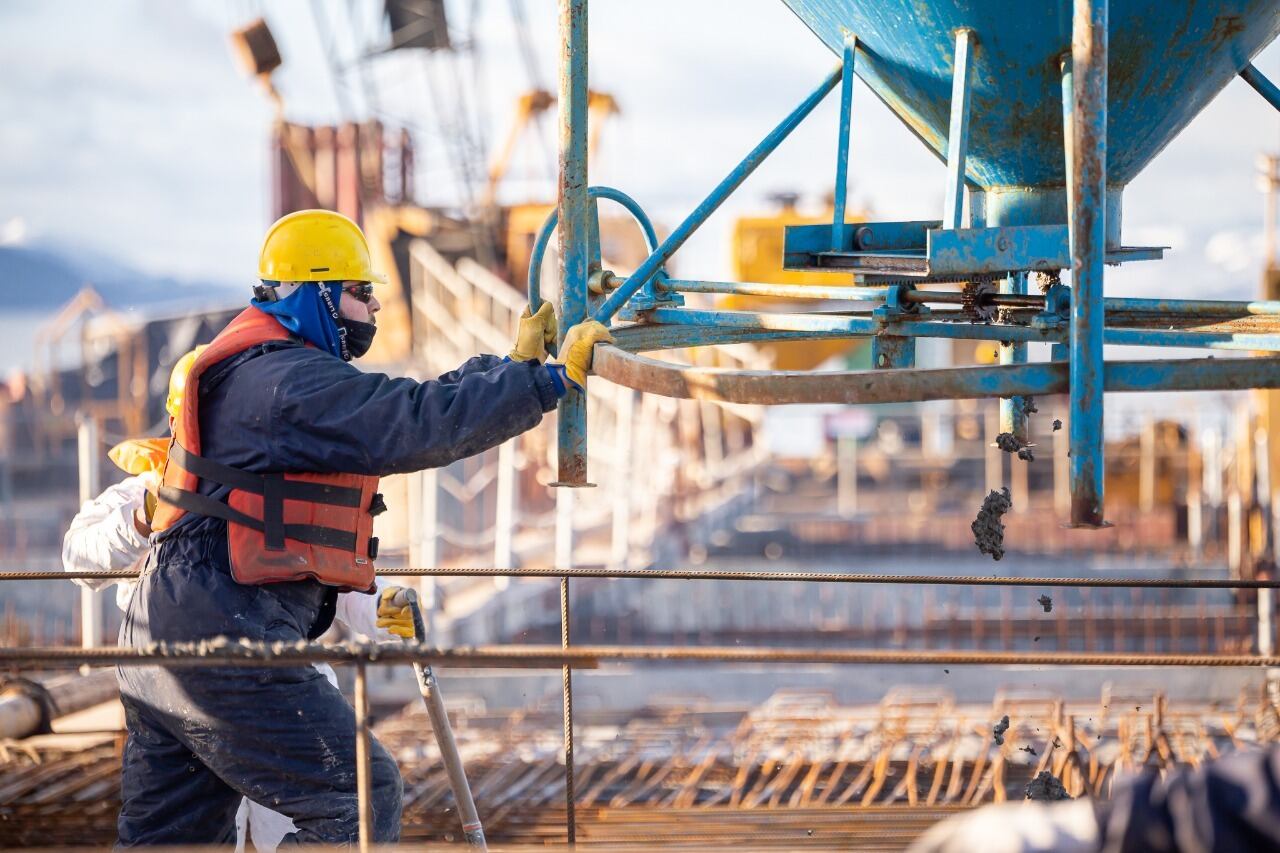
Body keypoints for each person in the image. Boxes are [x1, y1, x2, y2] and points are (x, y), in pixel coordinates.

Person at [113, 209, 612, 846]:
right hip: (223, 642)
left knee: (168, 839)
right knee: (360, 795)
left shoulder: (269, 370)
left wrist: (512, 366)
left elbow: (400, 402)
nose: (373, 308)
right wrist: (546, 384)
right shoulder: (286, 383)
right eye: (358, 292)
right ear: (314, 295)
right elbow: (412, 421)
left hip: (166, 635)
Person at [62, 347, 417, 851]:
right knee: (186, 834)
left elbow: (325, 577)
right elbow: (79, 559)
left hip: (279, 685)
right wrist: (140, 518)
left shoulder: (273, 494)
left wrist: (379, 604)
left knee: (311, 818)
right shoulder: (144, 490)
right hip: (181, 694)